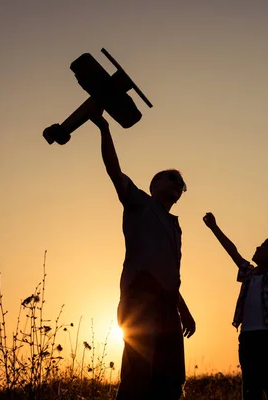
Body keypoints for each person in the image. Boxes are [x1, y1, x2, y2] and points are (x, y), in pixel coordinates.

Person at [90, 114, 196, 399]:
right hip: (140, 297)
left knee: (172, 379)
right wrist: (104, 129)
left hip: (168, 306)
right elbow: (114, 170)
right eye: (172, 179)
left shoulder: (176, 227)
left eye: (182, 184)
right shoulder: (140, 204)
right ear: (154, 184)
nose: (178, 184)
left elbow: (171, 274)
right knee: (139, 375)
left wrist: (183, 310)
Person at [203, 195, 268, 400]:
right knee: (250, 390)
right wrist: (214, 228)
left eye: (262, 246)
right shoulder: (250, 274)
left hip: (267, 338)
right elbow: (232, 251)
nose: (257, 247)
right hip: (247, 339)